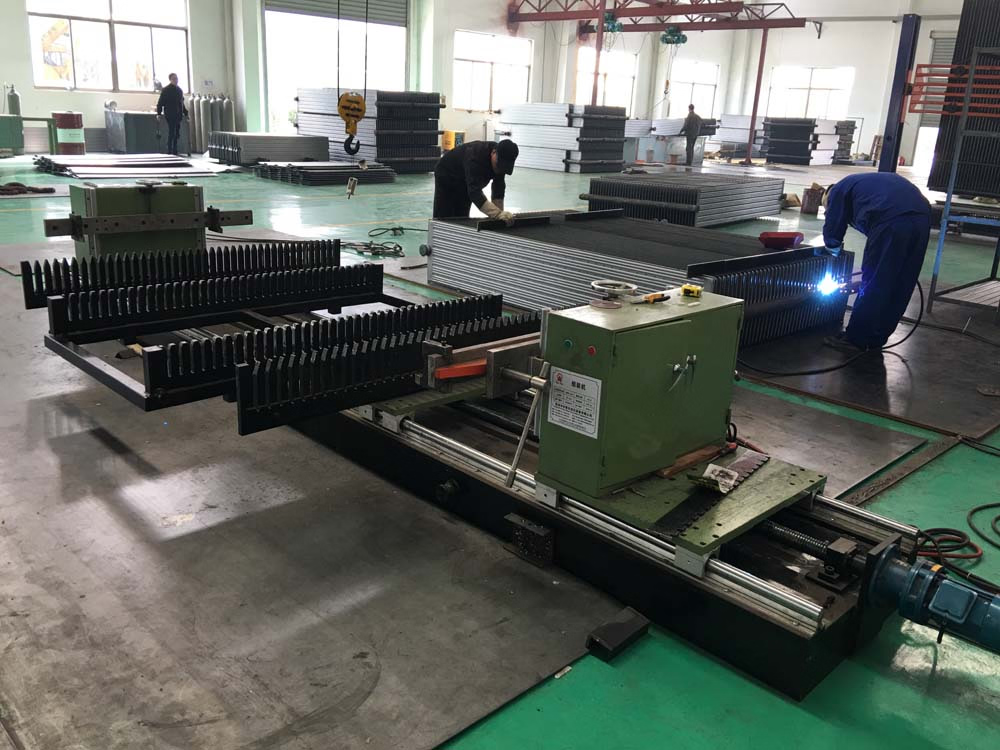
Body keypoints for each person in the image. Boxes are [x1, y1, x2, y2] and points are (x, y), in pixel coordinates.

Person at [820, 173, 932, 352]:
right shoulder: (862, 183)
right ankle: (877, 337)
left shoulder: (838, 191)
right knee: (902, 281)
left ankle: (856, 339)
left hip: (891, 219)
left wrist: (832, 252)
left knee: (874, 281)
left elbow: (833, 227)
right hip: (922, 217)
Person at [433, 139, 519, 223]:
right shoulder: (475, 156)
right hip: (446, 175)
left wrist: (501, 217)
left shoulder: (501, 163)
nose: (499, 170)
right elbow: (475, 193)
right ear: (493, 152)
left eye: (502, 168)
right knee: (444, 216)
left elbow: (498, 191)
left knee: (462, 216)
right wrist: (497, 214)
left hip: (465, 179)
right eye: (498, 166)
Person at [156, 73, 187, 156]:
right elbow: (160, 103)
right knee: (172, 132)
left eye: (177, 78)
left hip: (178, 115)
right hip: (170, 114)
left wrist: (185, 113)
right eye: (174, 79)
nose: (176, 80)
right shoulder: (166, 90)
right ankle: (170, 150)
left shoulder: (179, 90)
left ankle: (175, 149)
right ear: (170, 80)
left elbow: (182, 103)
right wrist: (159, 113)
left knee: (177, 133)